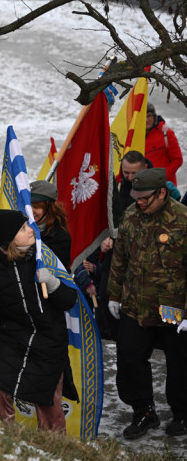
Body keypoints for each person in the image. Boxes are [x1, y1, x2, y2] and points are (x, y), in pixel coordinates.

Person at [0, 210, 79, 434]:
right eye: (22, 229)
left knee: (47, 401)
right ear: (7, 238)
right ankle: (3, 440)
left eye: (27, 226)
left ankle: (56, 447)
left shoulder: (43, 259)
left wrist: (54, 283)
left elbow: (69, 301)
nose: (31, 230)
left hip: (49, 341)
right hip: (12, 338)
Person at [107, 167, 187, 439]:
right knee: (129, 359)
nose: (138, 201)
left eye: (145, 197)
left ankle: (183, 413)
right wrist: (115, 295)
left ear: (162, 193)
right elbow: (119, 259)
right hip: (136, 306)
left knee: (180, 362)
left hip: (173, 307)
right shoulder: (130, 216)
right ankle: (143, 411)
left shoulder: (183, 219)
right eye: (136, 196)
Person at [29, 180, 72, 269]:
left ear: (49, 209)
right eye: (28, 206)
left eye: (36, 207)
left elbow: (59, 271)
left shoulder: (60, 237)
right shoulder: (19, 224)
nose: (30, 211)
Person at [145, 103, 182, 185]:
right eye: (143, 116)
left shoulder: (166, 133)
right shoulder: (134, 137)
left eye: (149, 116)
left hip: (165, 187)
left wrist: (163, 177)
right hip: (144, 187)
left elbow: (177, 159)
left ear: (154, 116)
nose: (146, 120)